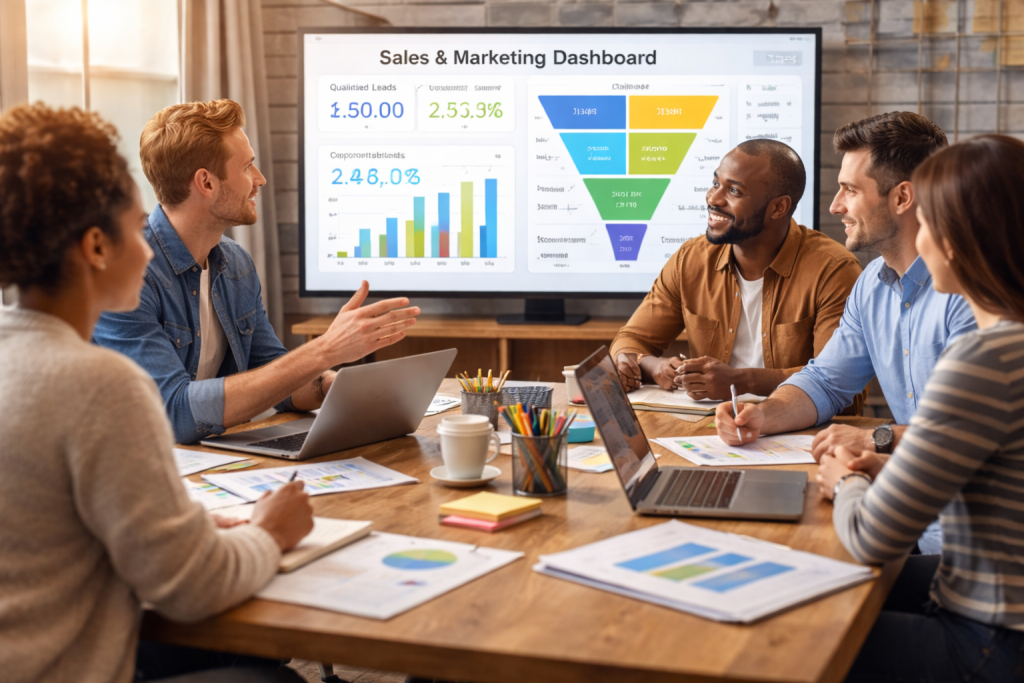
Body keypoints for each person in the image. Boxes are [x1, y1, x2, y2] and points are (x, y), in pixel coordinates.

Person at [0, 104, 313, 682]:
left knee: (246, 653)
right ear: (97, 246)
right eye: (134, 224)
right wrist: (270, 530)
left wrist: (186, 530)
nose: (148, 248)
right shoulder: (101, 384)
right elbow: (193, 588)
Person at [715, 113, 976, 553]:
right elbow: (825, 380)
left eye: (850, 190)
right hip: (907, 518)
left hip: (960, 547)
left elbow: (968, 434)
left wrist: (873, 437)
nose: (835, 206)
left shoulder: (972, 293)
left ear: (902, 197)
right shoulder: (873, 283)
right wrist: (765, 415)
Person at [815, 134, 1024, 682]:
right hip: (990, 597)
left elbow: (871, 537)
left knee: (796, 641)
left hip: (991, 638)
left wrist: (844, 481)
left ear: (958, 239)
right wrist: (895, 468)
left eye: (929, 223)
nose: (920, 239)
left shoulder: (985, 359)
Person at [93, 99, 420, 444]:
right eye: (247, 167)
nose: (260, 179)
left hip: (210, 462)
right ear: (206, 183)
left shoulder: (235, 265)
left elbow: (275, 378)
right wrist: (326, 348)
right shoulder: (125, 274)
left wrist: (333, 386)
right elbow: (173, 413)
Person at [611, 139, 864, 409]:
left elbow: (841, 386)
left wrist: (742, 381)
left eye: (734, 191)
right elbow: (630, 341)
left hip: (801, 435)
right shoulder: (691, 259)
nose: (713, 198)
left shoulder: (833, 270)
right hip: (710, 431)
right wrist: (652, 364)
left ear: (778, 207)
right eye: (716, 183)